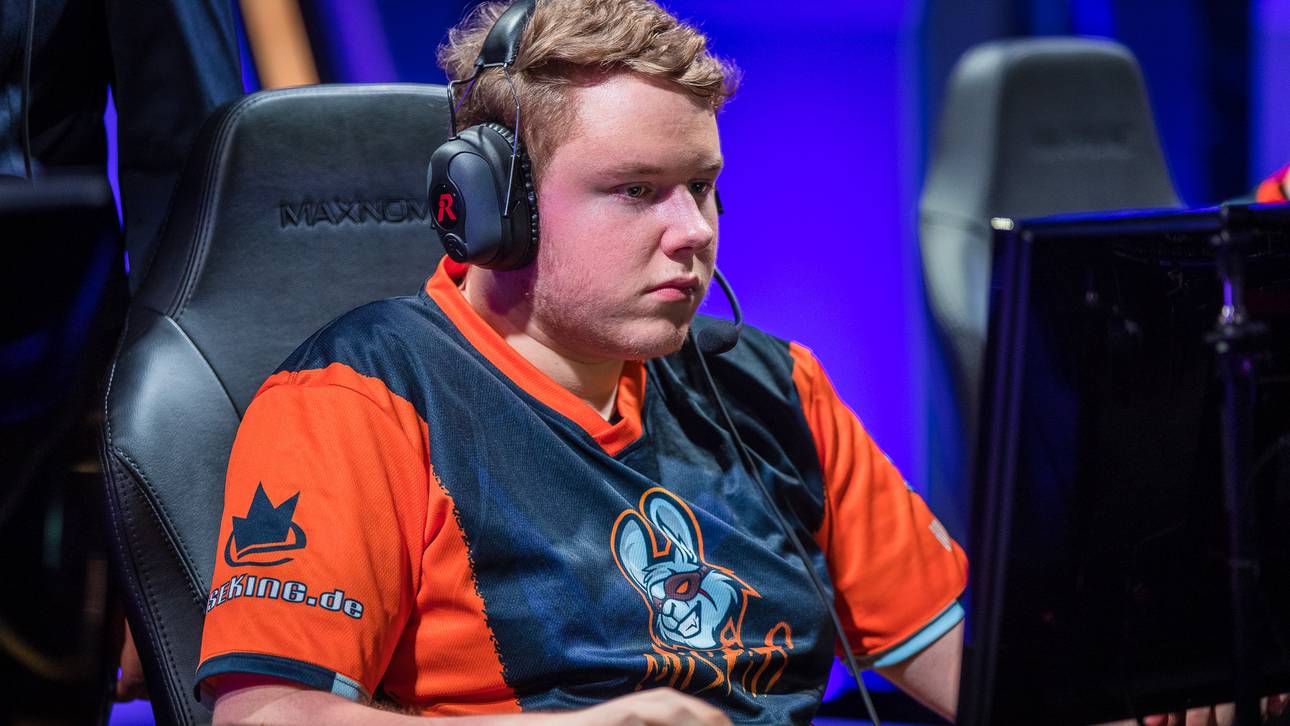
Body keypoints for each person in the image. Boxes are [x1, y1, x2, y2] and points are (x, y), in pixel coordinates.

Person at [195, 1, 968, 723]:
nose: (695, 230)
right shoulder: (361, 396)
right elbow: (265, 715)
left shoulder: (774, 386)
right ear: (497, 207)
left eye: (701, 186)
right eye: (636, 189)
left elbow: (976, 668)